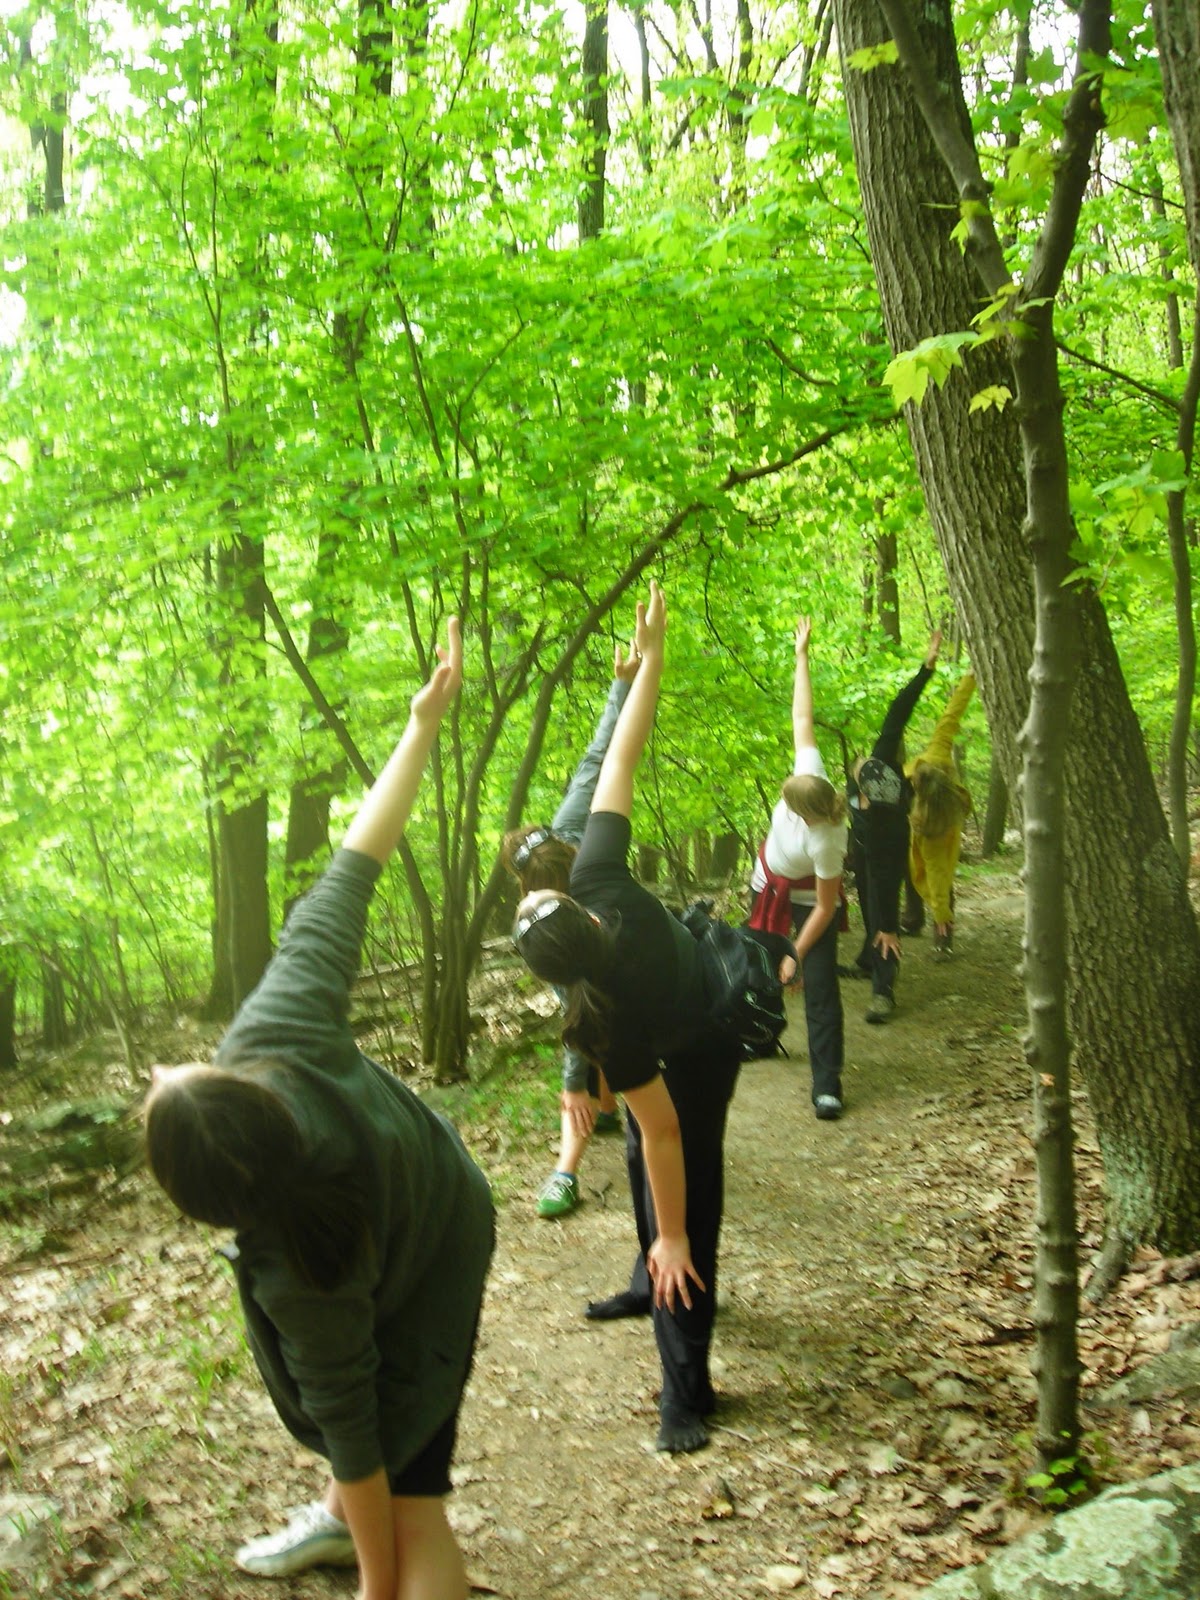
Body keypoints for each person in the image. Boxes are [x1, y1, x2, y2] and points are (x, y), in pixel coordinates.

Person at [143, 620, 494, 1600]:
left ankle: (375, 1553)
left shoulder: (296, 1271)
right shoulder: (270, 1031)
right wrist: (422, 725)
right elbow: (358, 856)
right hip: (416, 1188)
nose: (170, 1063)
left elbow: (358, 1437)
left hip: (439, 1238)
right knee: (368, 1466)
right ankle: (345, 1531)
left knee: (413, 1504)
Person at [512, 581, 772, 1457]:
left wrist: (669, 1233)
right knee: (641, 1162)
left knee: (689, 1210)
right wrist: (651, 656)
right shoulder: (598, 885)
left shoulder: (600, 1018)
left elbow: (665, 1132)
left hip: (707, 1039)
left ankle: (684, 1393)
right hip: (666, 1046)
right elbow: (621, 760)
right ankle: (646, 1272)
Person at [501, 642, 641, 1219]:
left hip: (622, 956)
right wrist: (623, 683)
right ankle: (607, 1112)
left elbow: (574, 1015)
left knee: (601, 1041)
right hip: (622, 947)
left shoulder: (548, 913)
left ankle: (566, 1168)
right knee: (601, 1040)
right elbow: (598, 756)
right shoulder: (569, 833)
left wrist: (572, 1085)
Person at [747, 615, 848, 1121]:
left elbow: (827, 905)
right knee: (758, 968)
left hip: (810, 905)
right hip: (768, 888)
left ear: (810, 815)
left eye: (792, 808)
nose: (785, 809)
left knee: (821, 989)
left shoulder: (828, 836)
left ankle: (827, 1082)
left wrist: (797, 954)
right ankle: (761, 1037)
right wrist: (801, 655)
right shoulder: (810, 775)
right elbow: (802, 718)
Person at [846, 630, 942, 1024]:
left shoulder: (886, 821)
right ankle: (869, 960)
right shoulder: (881, 763)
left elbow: (886, 884)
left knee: (881, 911)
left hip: (883, 852)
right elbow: (898, 711)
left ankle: (883, 990)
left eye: (862, 770)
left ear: (869, 795)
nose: (861, 764)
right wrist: (926, 668)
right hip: (865, 854)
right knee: (868, 898)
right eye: (863, 764)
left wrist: (888, 925)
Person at [907, 672, 976, 959]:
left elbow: (935, 873)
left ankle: (942, 936)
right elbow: (951, 717)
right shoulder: (940, 755)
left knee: (939, 883)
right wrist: (970, 679)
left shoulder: (928, 822)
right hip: (940, 835)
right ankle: (914, 918)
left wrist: (941, 912)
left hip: (940, 843)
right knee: (931, 877)